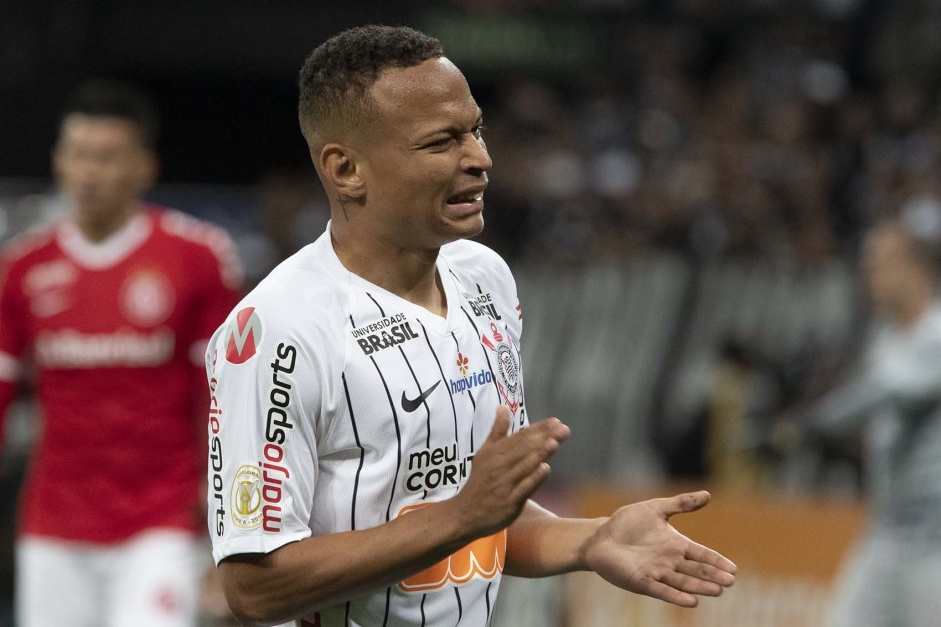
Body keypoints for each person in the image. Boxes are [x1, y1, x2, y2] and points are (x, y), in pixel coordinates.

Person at [206, 25, 737, 627]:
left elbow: (481, 518)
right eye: (441, 142)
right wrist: (464, 515)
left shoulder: (485, 279)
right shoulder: (278, 330)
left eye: (476, 129)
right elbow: (253, 587)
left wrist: (589, 542)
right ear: (346, 169)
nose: (480, 159)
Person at [0, 79, 242, 626]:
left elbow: (224, 392)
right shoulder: (23, 268)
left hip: (161, 519)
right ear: (58, 161)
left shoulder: (197, 257)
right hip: (54, 526)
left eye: (107, 157)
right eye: (78, 154)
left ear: (144, 167)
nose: (89, 173)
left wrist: (224, 501)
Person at [785, 219, 941, 627]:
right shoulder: (886, 339)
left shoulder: (937, 334)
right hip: (886, 531)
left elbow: (882, 395)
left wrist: (806, 426)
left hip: (934, 540)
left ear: (916, 268)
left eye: (882, 262)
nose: (870, 273)